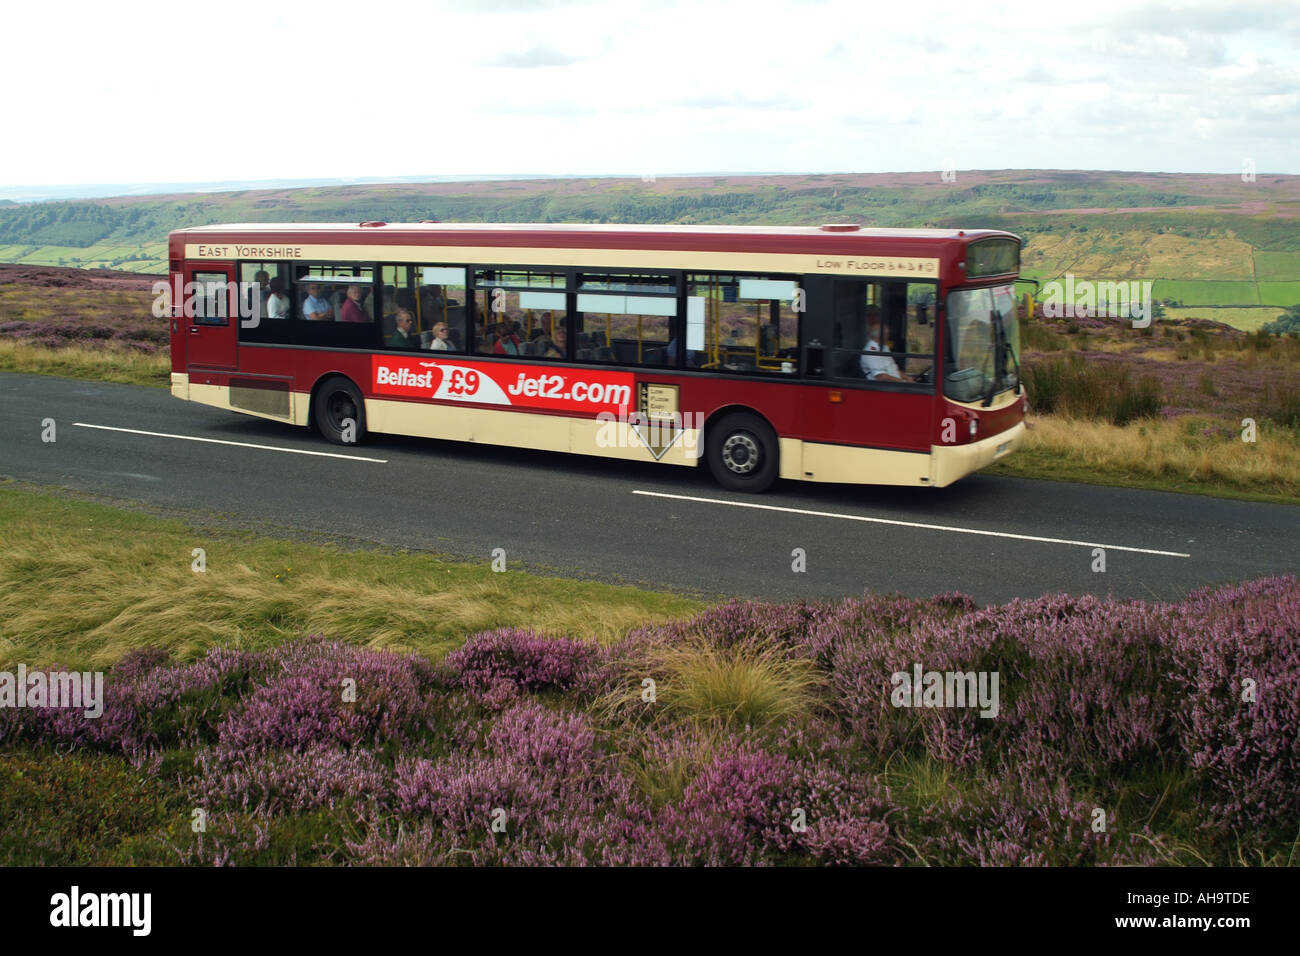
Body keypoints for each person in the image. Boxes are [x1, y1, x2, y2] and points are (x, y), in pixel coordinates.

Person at [859, 307, 906, 382]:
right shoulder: (871, 351)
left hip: (895, 382)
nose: (889, 336)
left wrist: (907, 378)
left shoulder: (884, 347)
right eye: (887, 334)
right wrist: (903, 382)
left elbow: (893, 368)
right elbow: (881, 376)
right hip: (886, 387)